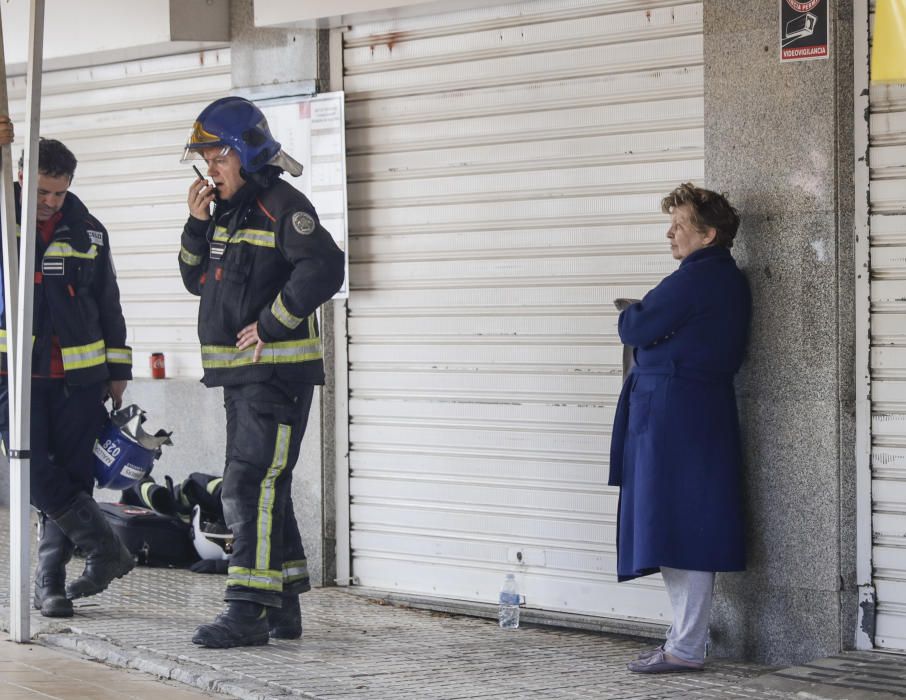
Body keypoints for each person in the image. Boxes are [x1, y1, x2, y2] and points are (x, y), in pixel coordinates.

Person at [178, 96, 345, 648]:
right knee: (266, 483)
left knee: (250, 485)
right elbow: (193, 279)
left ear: (246, 154)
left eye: (217, 157)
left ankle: (247, 608)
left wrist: (273, 323)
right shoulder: (227, 210)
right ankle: (285, 605)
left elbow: (325, 265)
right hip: (241, 378)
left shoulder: (281, 204)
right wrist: (196, 225)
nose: (209, 170)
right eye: (204, 159)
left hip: (275, 376)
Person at [609, 183, 750, 673]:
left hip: (675, 413)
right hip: (687, 409)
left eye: (681, 225)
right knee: (680, 523)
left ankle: (686, 647)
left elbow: (634, 327)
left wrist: (635, 317)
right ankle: (682, 640)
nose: (670, 233)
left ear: (708, 234)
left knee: (680, 524)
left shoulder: (696, 277)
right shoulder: (718, 277)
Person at [0, 126, 135, 618]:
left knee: (75, 477)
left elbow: (109, 303)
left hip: (80, 380)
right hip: (12, 375)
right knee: (30, 470)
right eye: (41, 192)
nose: (50, 202)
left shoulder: (90, 231)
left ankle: (50, 584)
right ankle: (106, 546)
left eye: (59, 192)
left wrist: (117, 370)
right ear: (18, 176)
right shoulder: (2, 218)